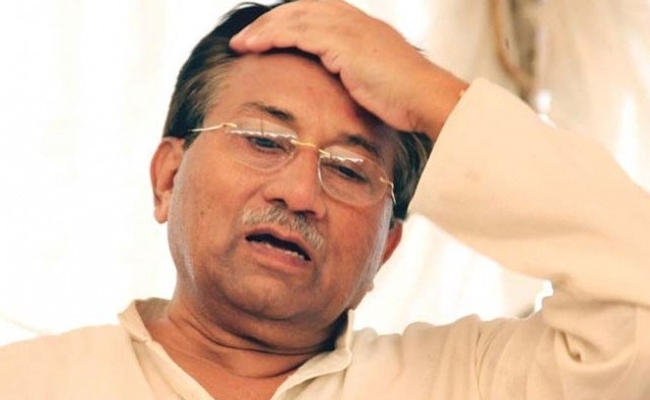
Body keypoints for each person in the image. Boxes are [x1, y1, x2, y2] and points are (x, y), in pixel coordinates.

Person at [1, 0, 649, 399]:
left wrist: (433, 95)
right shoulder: (26, 382)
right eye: (264, 139)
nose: (299, 192)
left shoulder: (470, 383)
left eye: (349, 169)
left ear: (387, 247)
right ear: (168, 177)